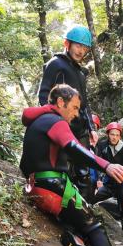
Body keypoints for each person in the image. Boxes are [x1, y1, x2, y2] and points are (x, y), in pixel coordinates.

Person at [20, 83, 123, 246]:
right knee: (95, 226)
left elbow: (23, 164)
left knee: (75, 218)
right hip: (54, 187)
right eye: (75, 108)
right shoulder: (55, 121)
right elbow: (74, 149)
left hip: (35, 186)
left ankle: (74, 239)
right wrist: (107, 165)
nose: (76, 114)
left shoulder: (36, 123)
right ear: (60, 102)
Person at [38, 25, 99, 202]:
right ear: (67, 43)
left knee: (84, 173)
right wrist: (53, 122)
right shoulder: (55, 64)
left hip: (80, 130)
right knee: (62, 171)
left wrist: (92, 128)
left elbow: (84, 103)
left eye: (85, 47)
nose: (81, 51)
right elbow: (43, 95)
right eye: (78, 45)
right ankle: (65, 213)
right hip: (62, 128)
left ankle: (85, 212)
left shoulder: (80, 73)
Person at [92, 122, 123, 246]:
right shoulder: (102, 145)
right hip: (108, 184)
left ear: (120, 136)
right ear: (108, 134)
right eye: (112, 134)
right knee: (90, 198)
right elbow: (96, 163)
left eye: (117, 135)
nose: (114, 137)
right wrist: (97, 182)